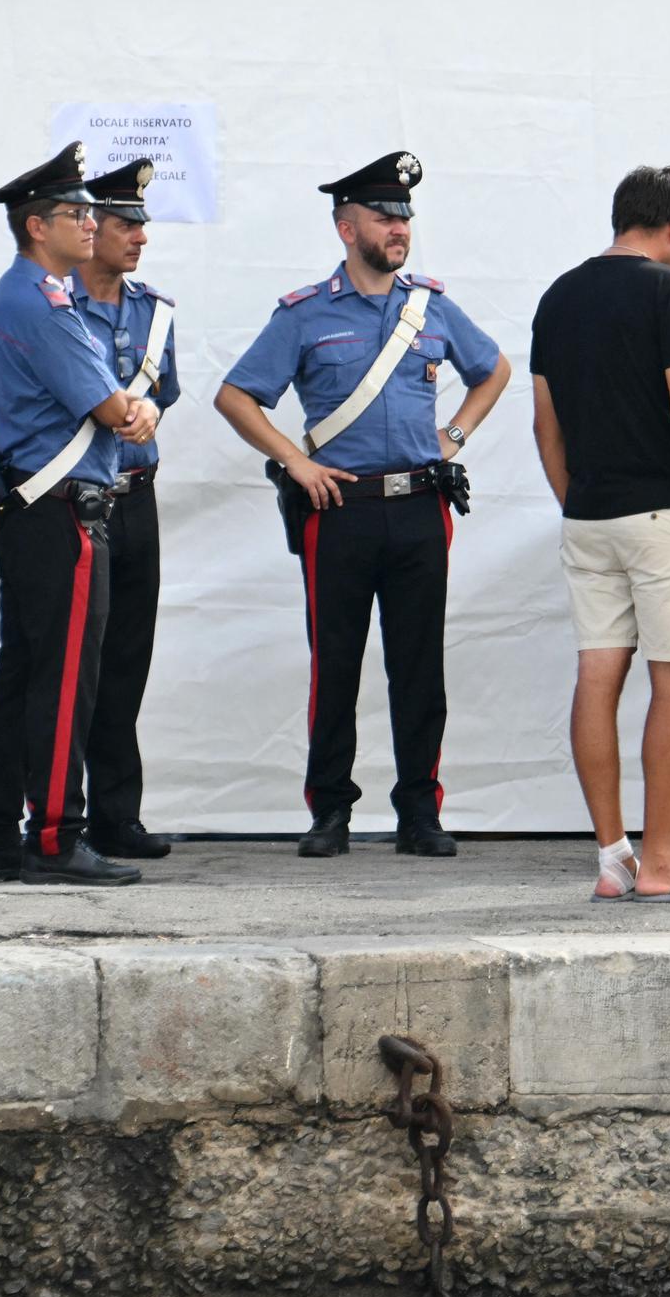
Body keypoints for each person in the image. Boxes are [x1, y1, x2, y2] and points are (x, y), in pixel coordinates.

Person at [216, 152, 511, 860]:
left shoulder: (431, 307)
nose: (399, 228)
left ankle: (419, 811)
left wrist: (455, 435)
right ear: (347, 227)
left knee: (419, 666)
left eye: (405, 216)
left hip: (417, 507)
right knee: (336, 665)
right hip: (339, 509)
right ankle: (329, 811)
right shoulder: (305, 314)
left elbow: (493, 368)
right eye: (384, 217)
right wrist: (295, 460)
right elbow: (236, 395)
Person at [530, 164, 670, 905]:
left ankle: (612, 856)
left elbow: (545, 421)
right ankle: (661, 860)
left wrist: (576, 500)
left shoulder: (559, 294)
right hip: (665, 514)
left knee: (597, 674)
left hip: (590, 514)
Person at [0, 141, 150, 887]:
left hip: (36, 511)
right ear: (37, 226)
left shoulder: (28, 298)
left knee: (25, 672)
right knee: (63, 678)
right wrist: (129, 409)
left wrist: (129, 409)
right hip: (62, 514)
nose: (90, 222)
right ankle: (51, 835)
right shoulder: (42, 303)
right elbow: (110, 406)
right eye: (76, 213)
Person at [65, 157, 179, 864]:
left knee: (127, 662)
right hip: (78, 503)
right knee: (74, 665)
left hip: (137, 499)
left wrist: (146, 417)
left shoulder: (153, 311)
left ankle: (116, 815)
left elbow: (162, 393)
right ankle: (58, 818)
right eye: (124, 223)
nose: (138, 236)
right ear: (90, 227)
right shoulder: (54, 306)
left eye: (141, 224)